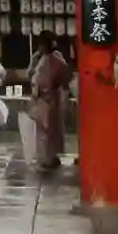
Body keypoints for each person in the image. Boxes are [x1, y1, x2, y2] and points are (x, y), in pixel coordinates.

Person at [28, 32, 70, 171]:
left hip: (49, 97)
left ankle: (49, 157)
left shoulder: (55, 59)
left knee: (49, 130)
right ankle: (48, 156)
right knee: (46, 129)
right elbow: (31, 74)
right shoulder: (40, 58)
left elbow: (63, 76)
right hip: (44, 97)